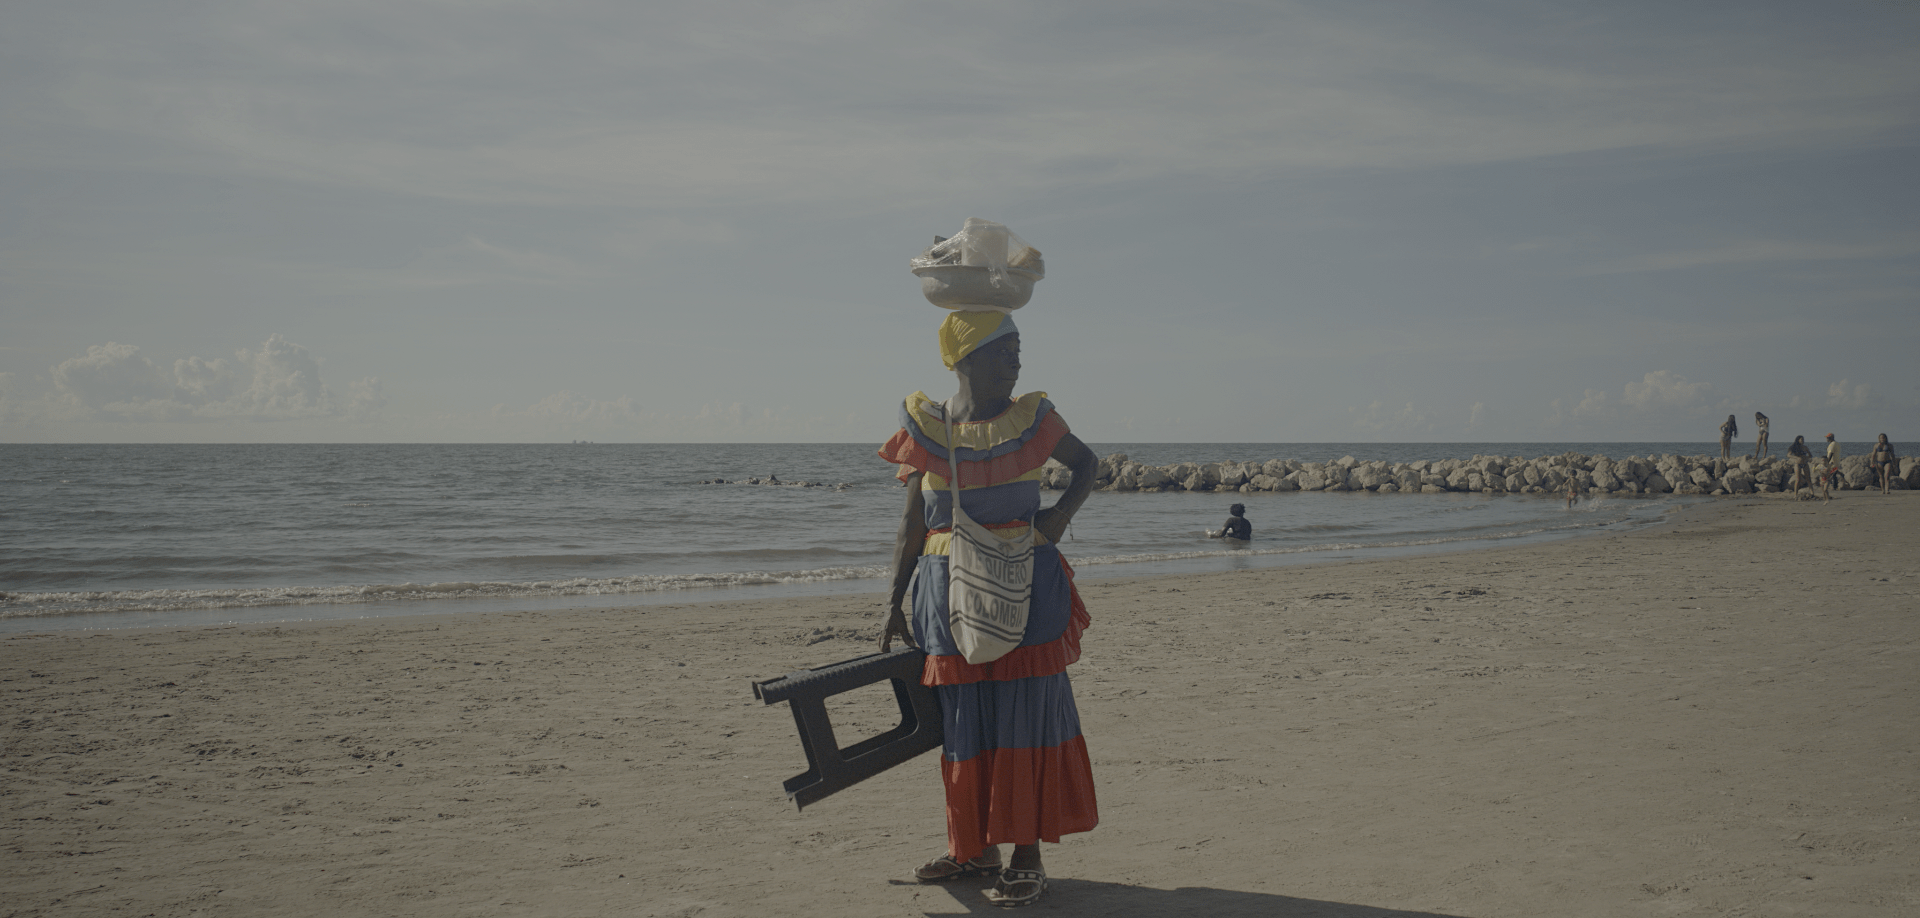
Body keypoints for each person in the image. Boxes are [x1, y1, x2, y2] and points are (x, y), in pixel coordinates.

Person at [878, 309, 1100, 908]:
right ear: (968, 356)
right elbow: (911, 525)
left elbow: (1088, 465)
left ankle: (1027, 856)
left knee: (1022, 718)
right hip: (945, 594)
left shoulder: (1033, 418)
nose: (1018, 361)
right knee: (963, 724)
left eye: (1019, 349)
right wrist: (893, 600)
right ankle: (973, 848)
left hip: (1025, 587)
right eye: (1007, 349)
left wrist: (1054, 521)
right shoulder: (925, 425)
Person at [1823, 433, 1841, 500]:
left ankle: (1833, 487)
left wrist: (1827, 462)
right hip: (1836, 462)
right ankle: (1835, 486)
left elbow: (1830, 454)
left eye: (1827, 438)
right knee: (1834, 474)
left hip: (1832, 462)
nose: (1826, 439)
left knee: (1831, 475)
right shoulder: (1837, 443)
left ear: (1830, 438)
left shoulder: (1832, 445)